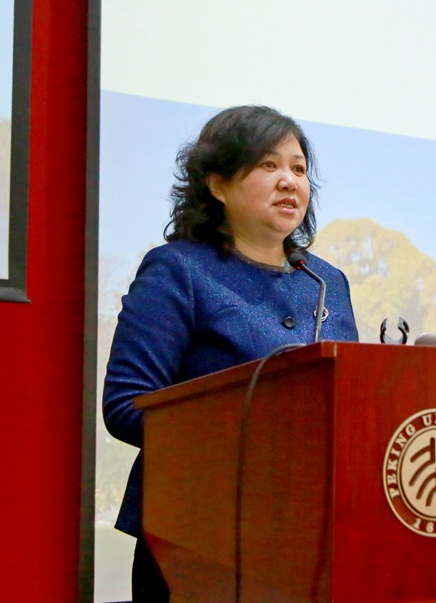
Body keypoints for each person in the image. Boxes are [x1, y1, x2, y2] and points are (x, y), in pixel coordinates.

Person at [103, 105, 359, 601]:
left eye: (299, 169)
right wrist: (257, 436)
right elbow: (127, 405)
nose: (289, 181)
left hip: (309, 538)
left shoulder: (327, 281)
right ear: (218, 184)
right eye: (268, 165)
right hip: (195, 537)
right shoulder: (179, 270)